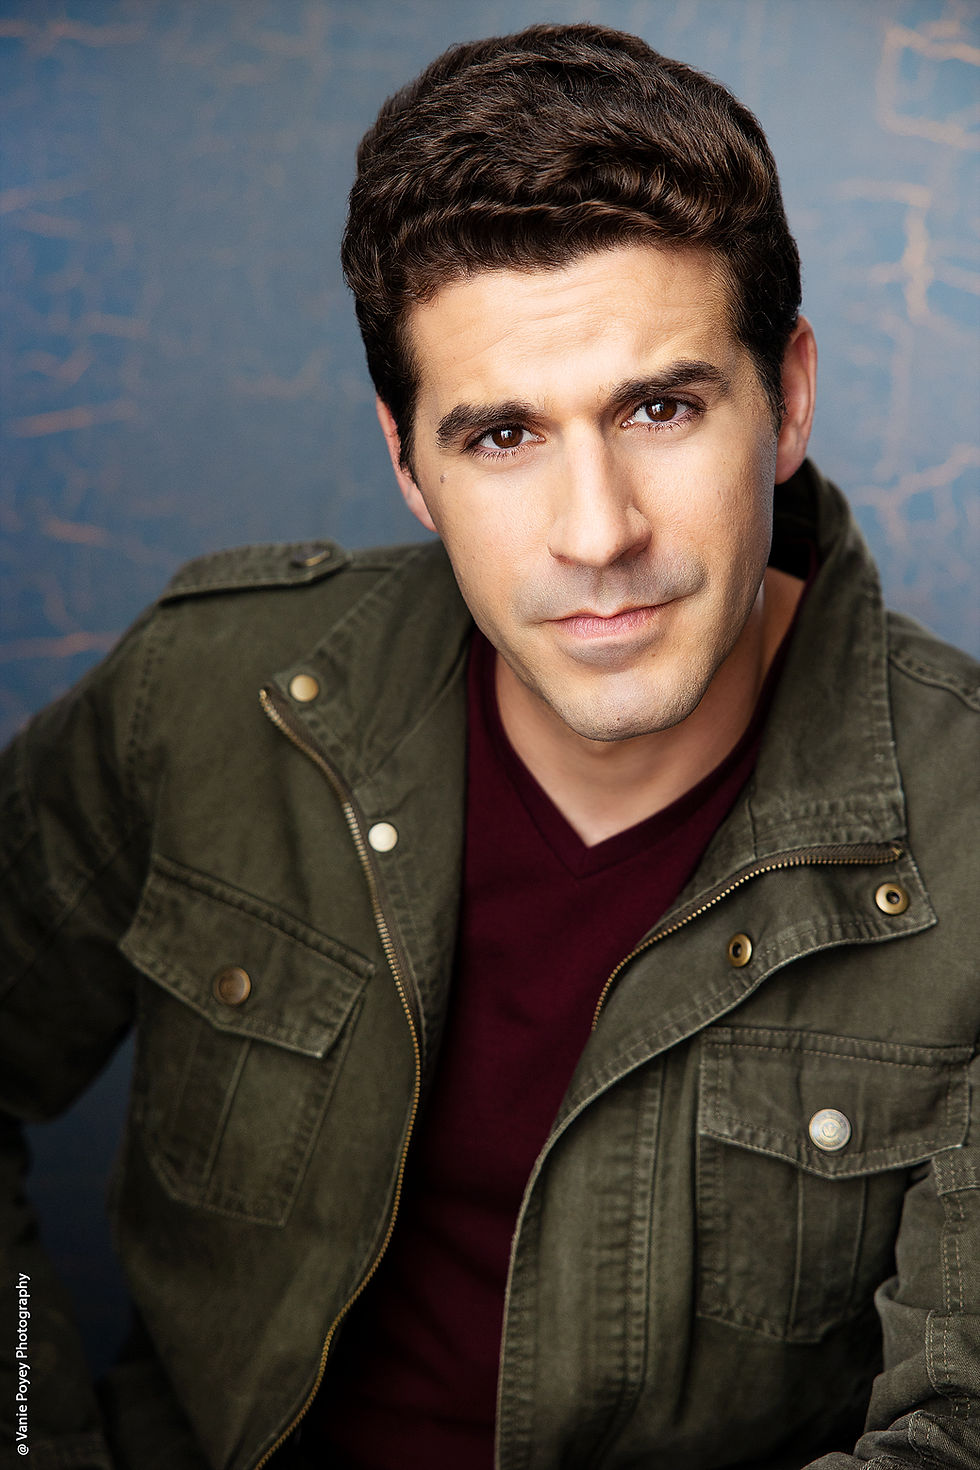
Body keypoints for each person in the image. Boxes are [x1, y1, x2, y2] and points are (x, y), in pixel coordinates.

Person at [1, 20, 978, 1470]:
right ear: (409, 462)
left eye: (661, 407)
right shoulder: (202, 695)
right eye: (503, 437)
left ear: (788, 401)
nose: (598, 533)